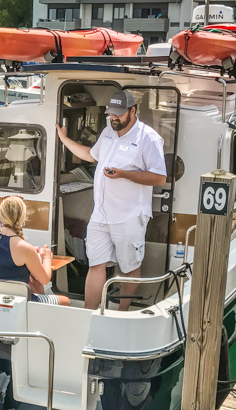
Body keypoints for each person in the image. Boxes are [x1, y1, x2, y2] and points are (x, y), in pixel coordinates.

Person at [55, 90, 167, 311]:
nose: (113, 118)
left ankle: (121, 313)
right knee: (95, 264)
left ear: (132, 111)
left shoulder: (148, 138)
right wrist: (64, 139)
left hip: (129, 216)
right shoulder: (108, 132)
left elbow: (159, 177)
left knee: (129, 267)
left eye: (118, 114)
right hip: (100, 215)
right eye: (111, 114)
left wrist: (124, 174)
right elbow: (91, 156)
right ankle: (89, 314)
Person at [0, 197, 70, 306]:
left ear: (1, 215)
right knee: (65, 301)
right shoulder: (24, 248)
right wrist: (46, 258)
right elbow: (45, 279)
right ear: (22, 217)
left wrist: (30, 250)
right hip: (17, 301)